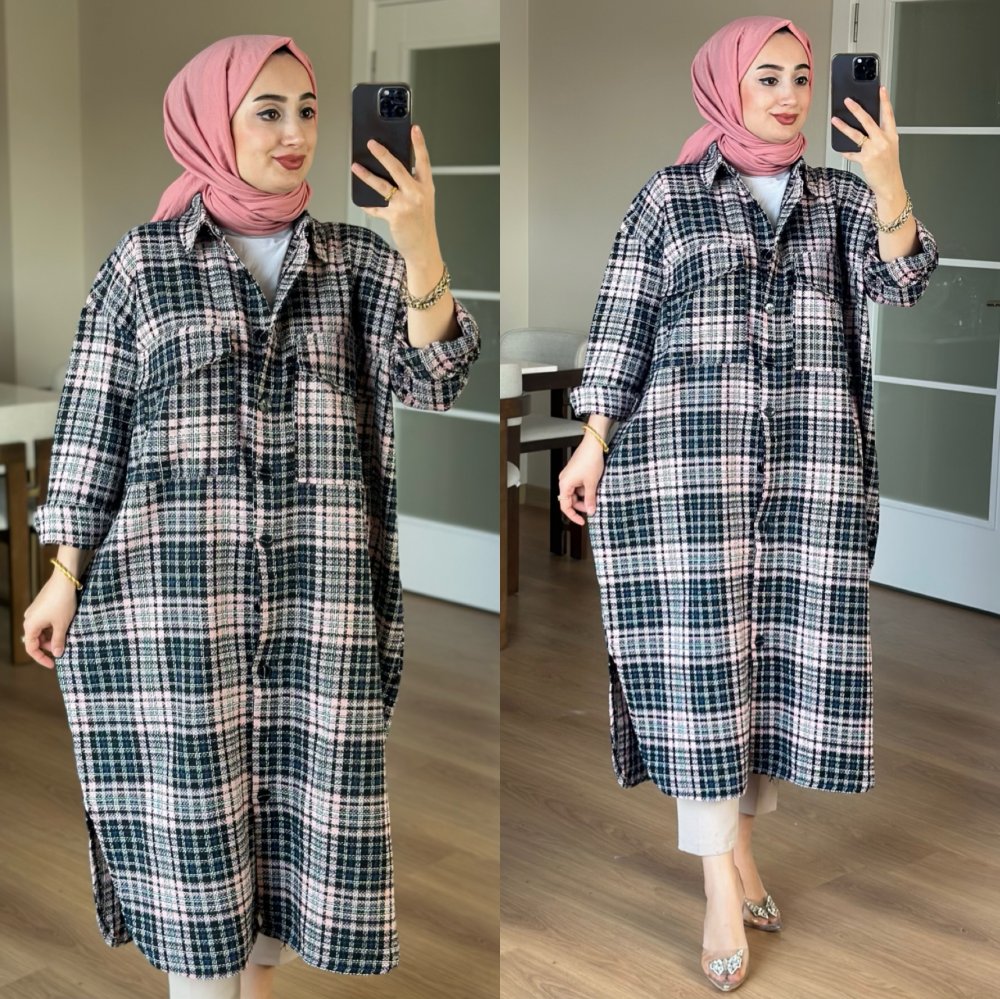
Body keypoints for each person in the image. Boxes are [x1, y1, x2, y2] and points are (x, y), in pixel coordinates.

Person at [21, 34, 480, 999]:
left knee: (294, 820)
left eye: (307, 110)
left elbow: (434, 378)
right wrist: (63, 573)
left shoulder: (358, 259)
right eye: (266, 111)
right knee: (196, 831)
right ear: (209, 123)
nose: (294, 132)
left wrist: (421, 237)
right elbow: (94, 426)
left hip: (320, 601)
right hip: (172, 607)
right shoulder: (143, 264)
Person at [559, 16, 937, 993]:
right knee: (699, 680)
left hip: (809, 474)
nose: (787, 93)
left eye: (801, 76)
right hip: (682, 476)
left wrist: (887, 173)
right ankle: (718, 889)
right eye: (766, 76)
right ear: (725, 84)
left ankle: (743, 856)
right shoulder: (669, 197)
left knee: (768, 678)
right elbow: (622, 323)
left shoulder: (842, 199)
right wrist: (592, 439)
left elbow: (903, 282)